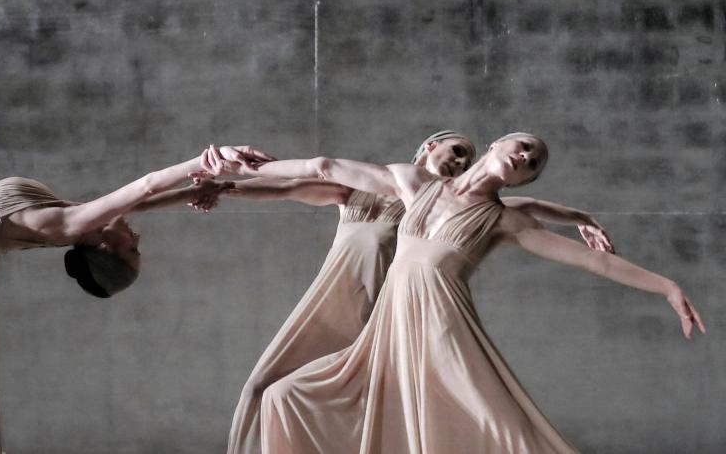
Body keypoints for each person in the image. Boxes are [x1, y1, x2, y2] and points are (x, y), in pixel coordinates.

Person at [212, 132, 704, 453]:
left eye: (533, 162)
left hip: (444, 329)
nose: (526, 156)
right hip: (389, 333)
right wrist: (241, 170)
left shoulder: (504, 220)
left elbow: (594, 260)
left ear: (523, 178)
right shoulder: (413, 185)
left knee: (503, 430)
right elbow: (323, 166)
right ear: (498, 143)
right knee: (285, 395)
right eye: (524, 146)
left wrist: (667, 286)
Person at [0, 146, 271, 454]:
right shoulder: (80, 223)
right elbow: (141, 201)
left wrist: (205, 161)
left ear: (106, 250)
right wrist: (199, 189)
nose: (137, 237)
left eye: (132, 249)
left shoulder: (64, 225)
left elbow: (145, 185)